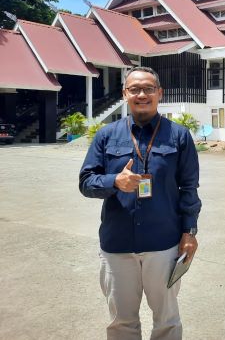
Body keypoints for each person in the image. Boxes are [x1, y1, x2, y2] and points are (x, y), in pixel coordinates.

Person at [79, 67, 201, 340]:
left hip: (164, 244)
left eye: (148, 88)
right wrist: (114, 181)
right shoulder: (106, 135)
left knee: (167, 320)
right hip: (117, 246)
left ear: (160, 93)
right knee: (122, 323)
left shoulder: (179, 136)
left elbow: (189, 189)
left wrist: (189, 232)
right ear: (125, 94)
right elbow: (86, 182)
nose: (142, 94)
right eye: (134, 89)